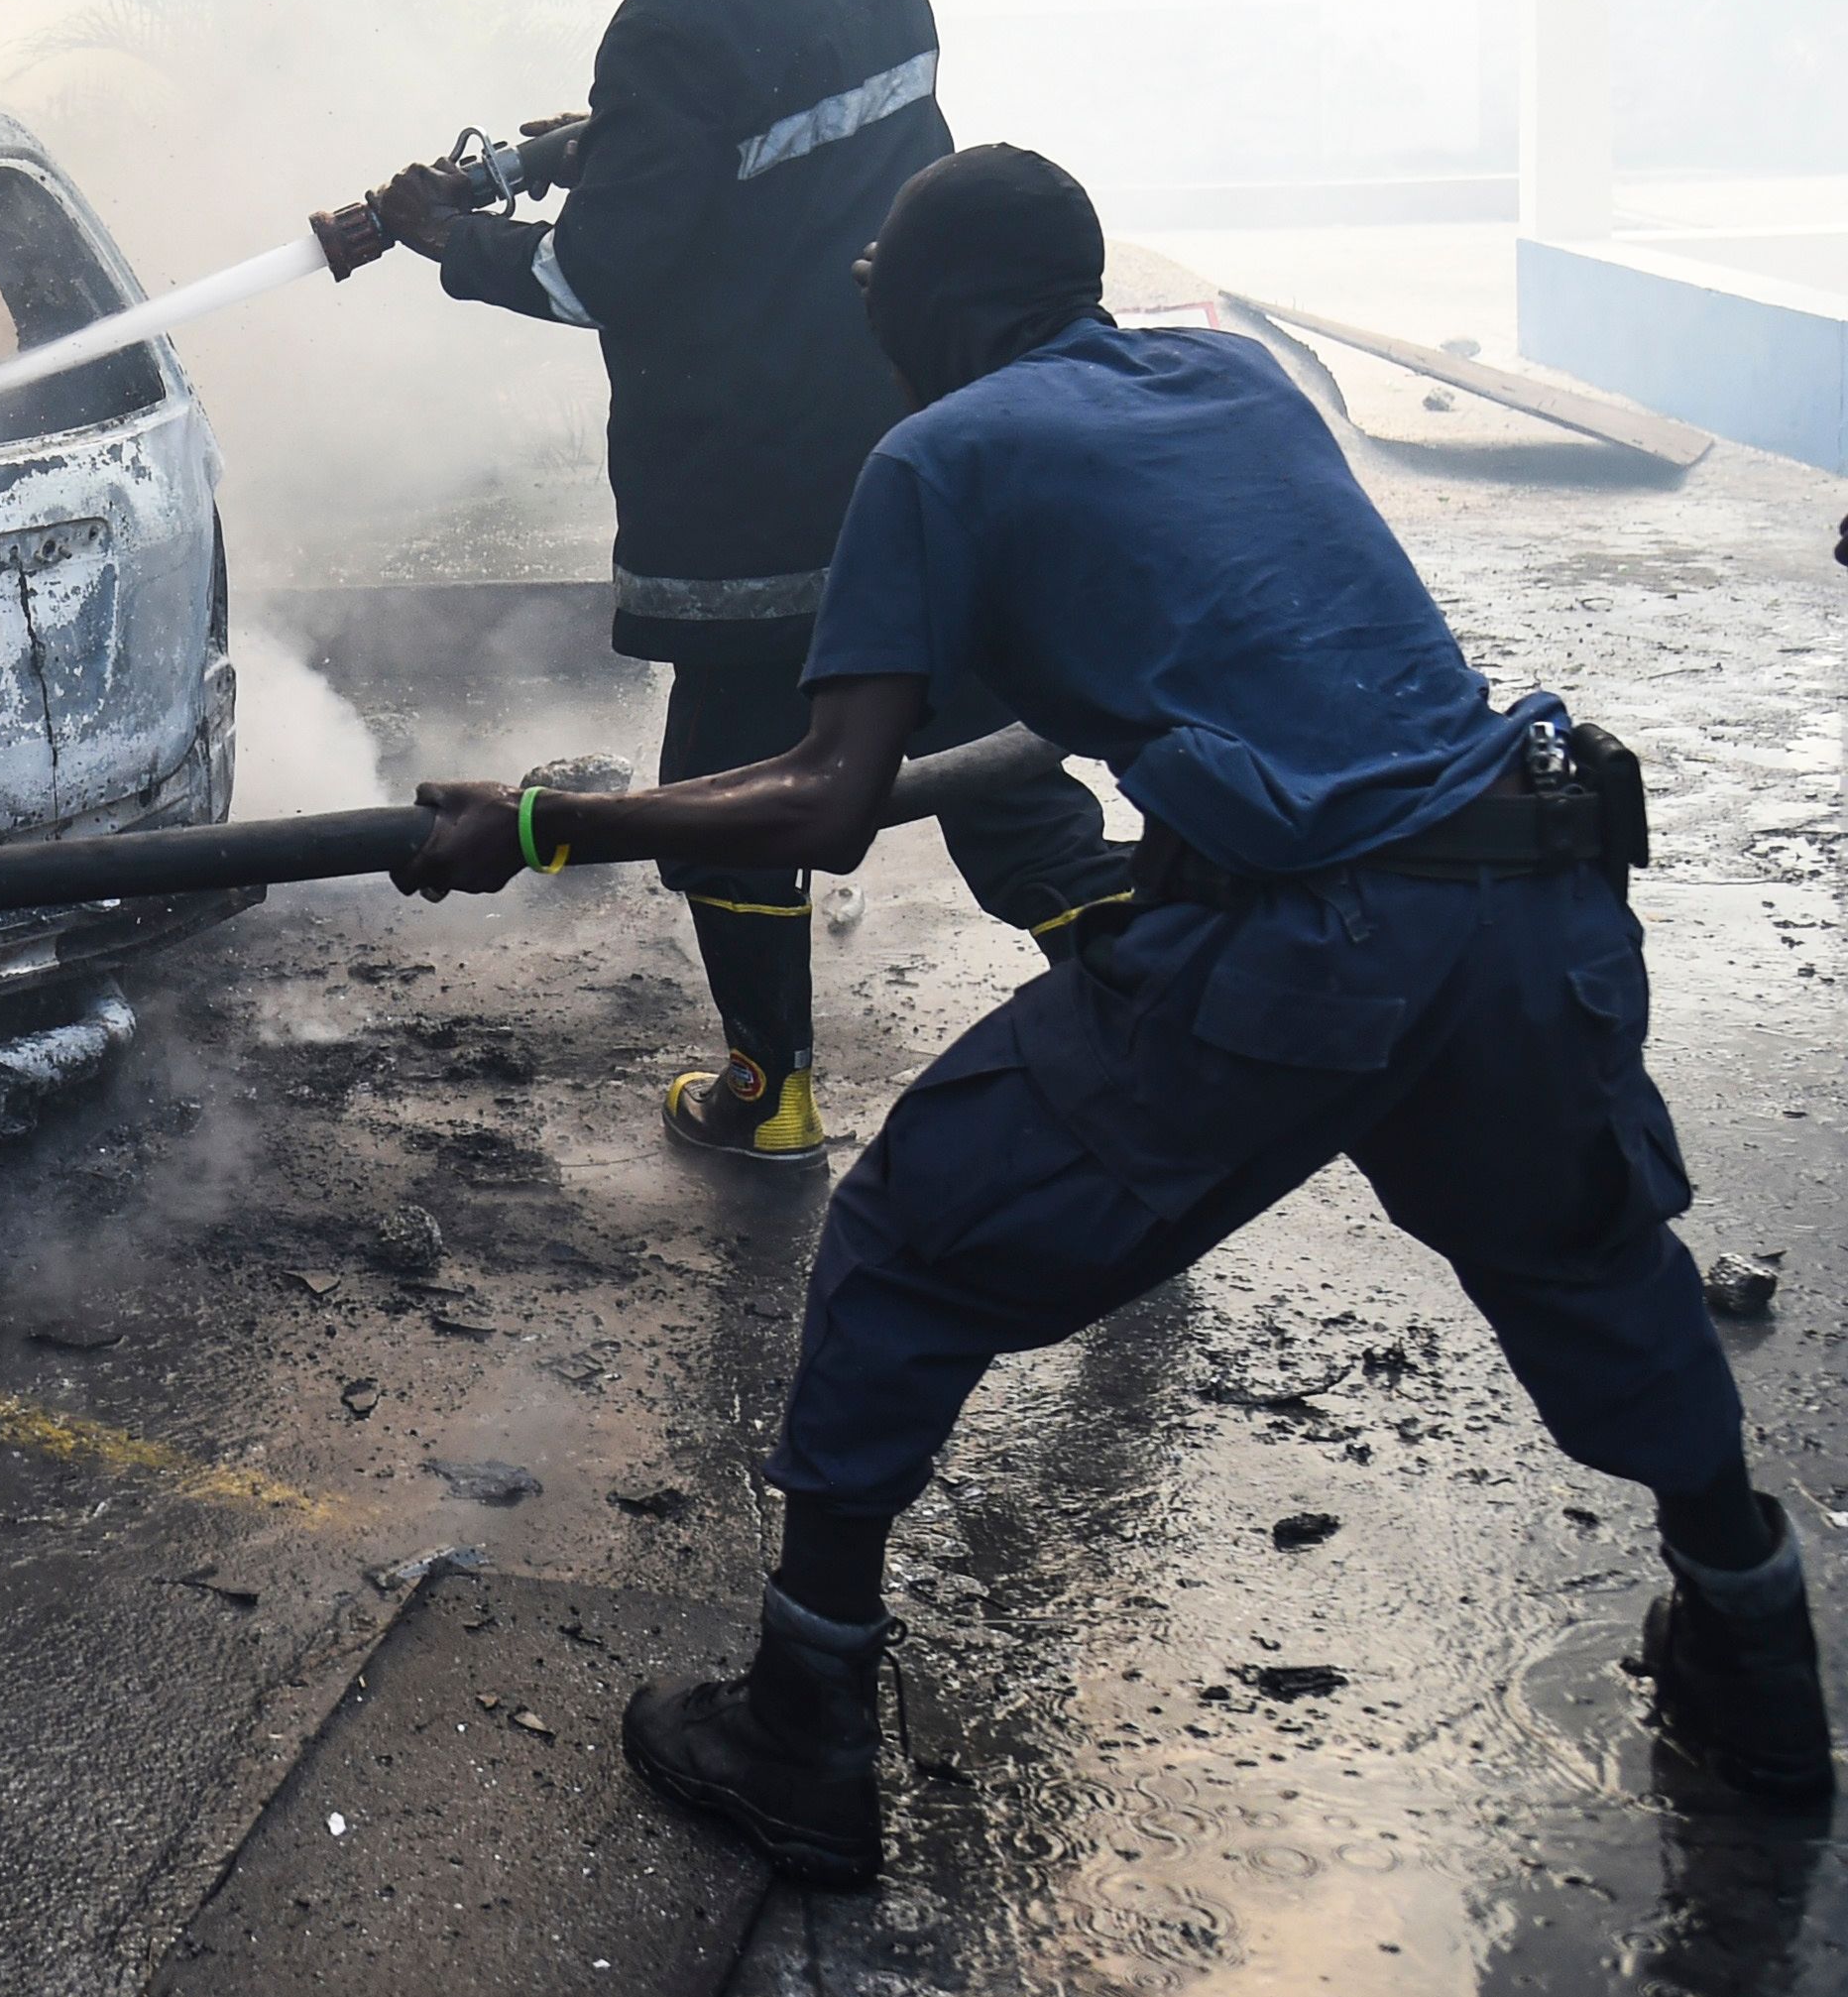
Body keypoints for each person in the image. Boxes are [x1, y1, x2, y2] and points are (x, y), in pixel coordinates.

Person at [388, 142, 1831, 1882]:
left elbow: (825, 798)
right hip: (1528, 897)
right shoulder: (1234, 375)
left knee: (908, 1244)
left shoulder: (936, 453)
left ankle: (804, 1728)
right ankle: (1757, 1666)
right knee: (1592, 1268)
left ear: (949, 303)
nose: (870, 318)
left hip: (1316, 938)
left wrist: (547, 822)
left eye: (883, 290)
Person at [372, 0, 1126, 1163]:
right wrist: (596, 142)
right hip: (918, 439)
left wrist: (439, 236)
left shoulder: (668, 25)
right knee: (999, 772)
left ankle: (766, 1092)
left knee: (725, 786)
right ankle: (1162, 1033)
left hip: (745, 485)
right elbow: (779, 134)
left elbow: (592, 274)